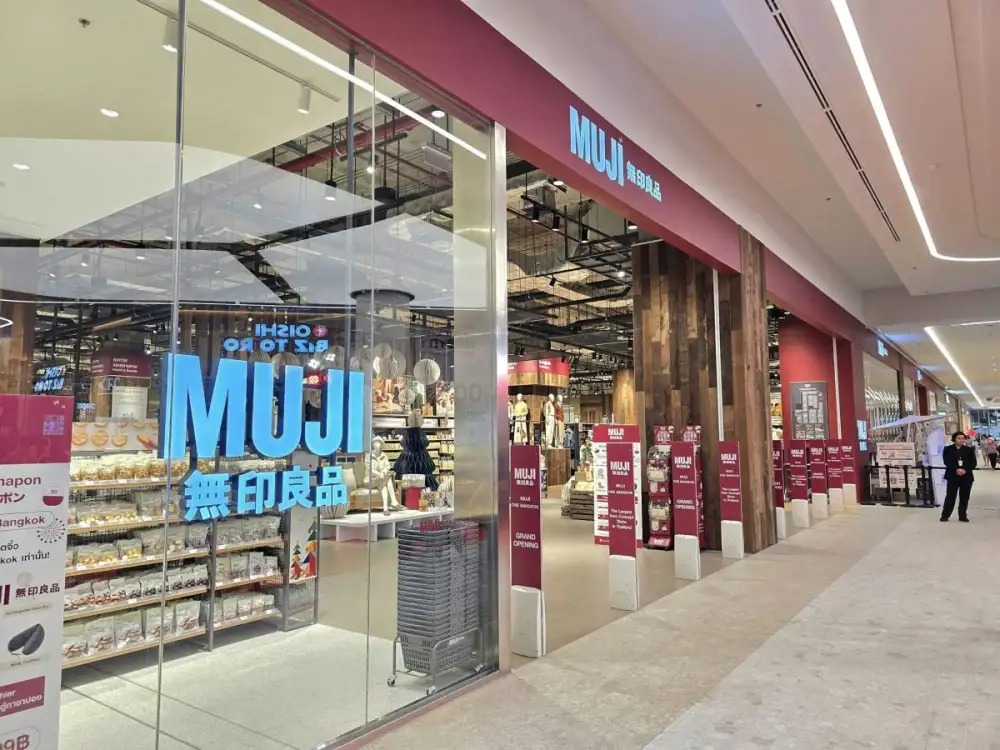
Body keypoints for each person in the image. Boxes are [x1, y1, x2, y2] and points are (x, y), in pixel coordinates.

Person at [941, 431, 977, 522]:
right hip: (953, 476)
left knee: (964, 497)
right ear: (954, 439)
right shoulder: (948, 449)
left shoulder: (969, 450)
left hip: (966, 477)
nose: (961, 440)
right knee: (950, 496)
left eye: (963, 438)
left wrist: (965, 470)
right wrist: (956, 469)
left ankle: (962, 515)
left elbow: (973, 463)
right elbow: (947, 461)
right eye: (959, 438)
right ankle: (945, 515)